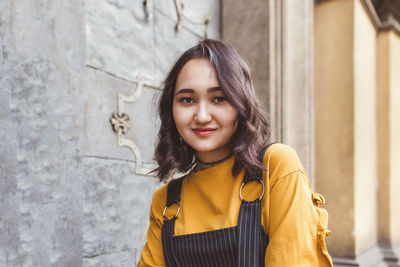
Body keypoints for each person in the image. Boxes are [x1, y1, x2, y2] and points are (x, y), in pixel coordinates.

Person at [138, 39, 333, 267]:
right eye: (187, 99)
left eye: (219, 98)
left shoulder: (275, 168)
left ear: (241, 103)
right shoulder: (165, 201)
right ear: (171, 109)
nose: (201, 116)